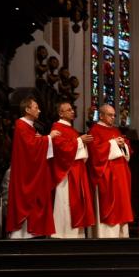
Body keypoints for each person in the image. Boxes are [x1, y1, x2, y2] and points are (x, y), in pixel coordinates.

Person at [6, 96, 60, 238]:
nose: (39, 110)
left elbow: (34, 144)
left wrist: (42, 139)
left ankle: (31, 232)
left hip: (31, 171)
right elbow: (30, 148)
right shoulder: (21, 125)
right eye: (36, 107)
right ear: (27, 109)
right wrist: (49, 137)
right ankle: (22, 234)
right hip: (25, 174)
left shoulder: (29, 127)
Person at [50, 102, 95, 238]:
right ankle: (63, 233)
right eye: (68, 110)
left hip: (78, 170)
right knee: (66, 202)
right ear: (60, 113)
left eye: (72, 109)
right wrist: (80, 141)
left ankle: (77, 234)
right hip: (67, 172)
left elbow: (76, 147)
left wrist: (82, 142)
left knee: (78, 202)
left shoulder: (72, 130)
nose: (72, 111)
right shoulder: (57, 127)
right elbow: (61, 149)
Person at [88, 104, 134, 238]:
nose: (113, 118)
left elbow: (126, 150)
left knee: (122, 207)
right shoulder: (95, 131)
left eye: (114, 115)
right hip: (107, 176)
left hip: (121, 176)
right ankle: (107, 237)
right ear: (101, 116)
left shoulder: (116, 130)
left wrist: (123, 145)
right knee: (110, 207)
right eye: (110, 115)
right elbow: (95, 153)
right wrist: (113, 143)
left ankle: (121, 236)